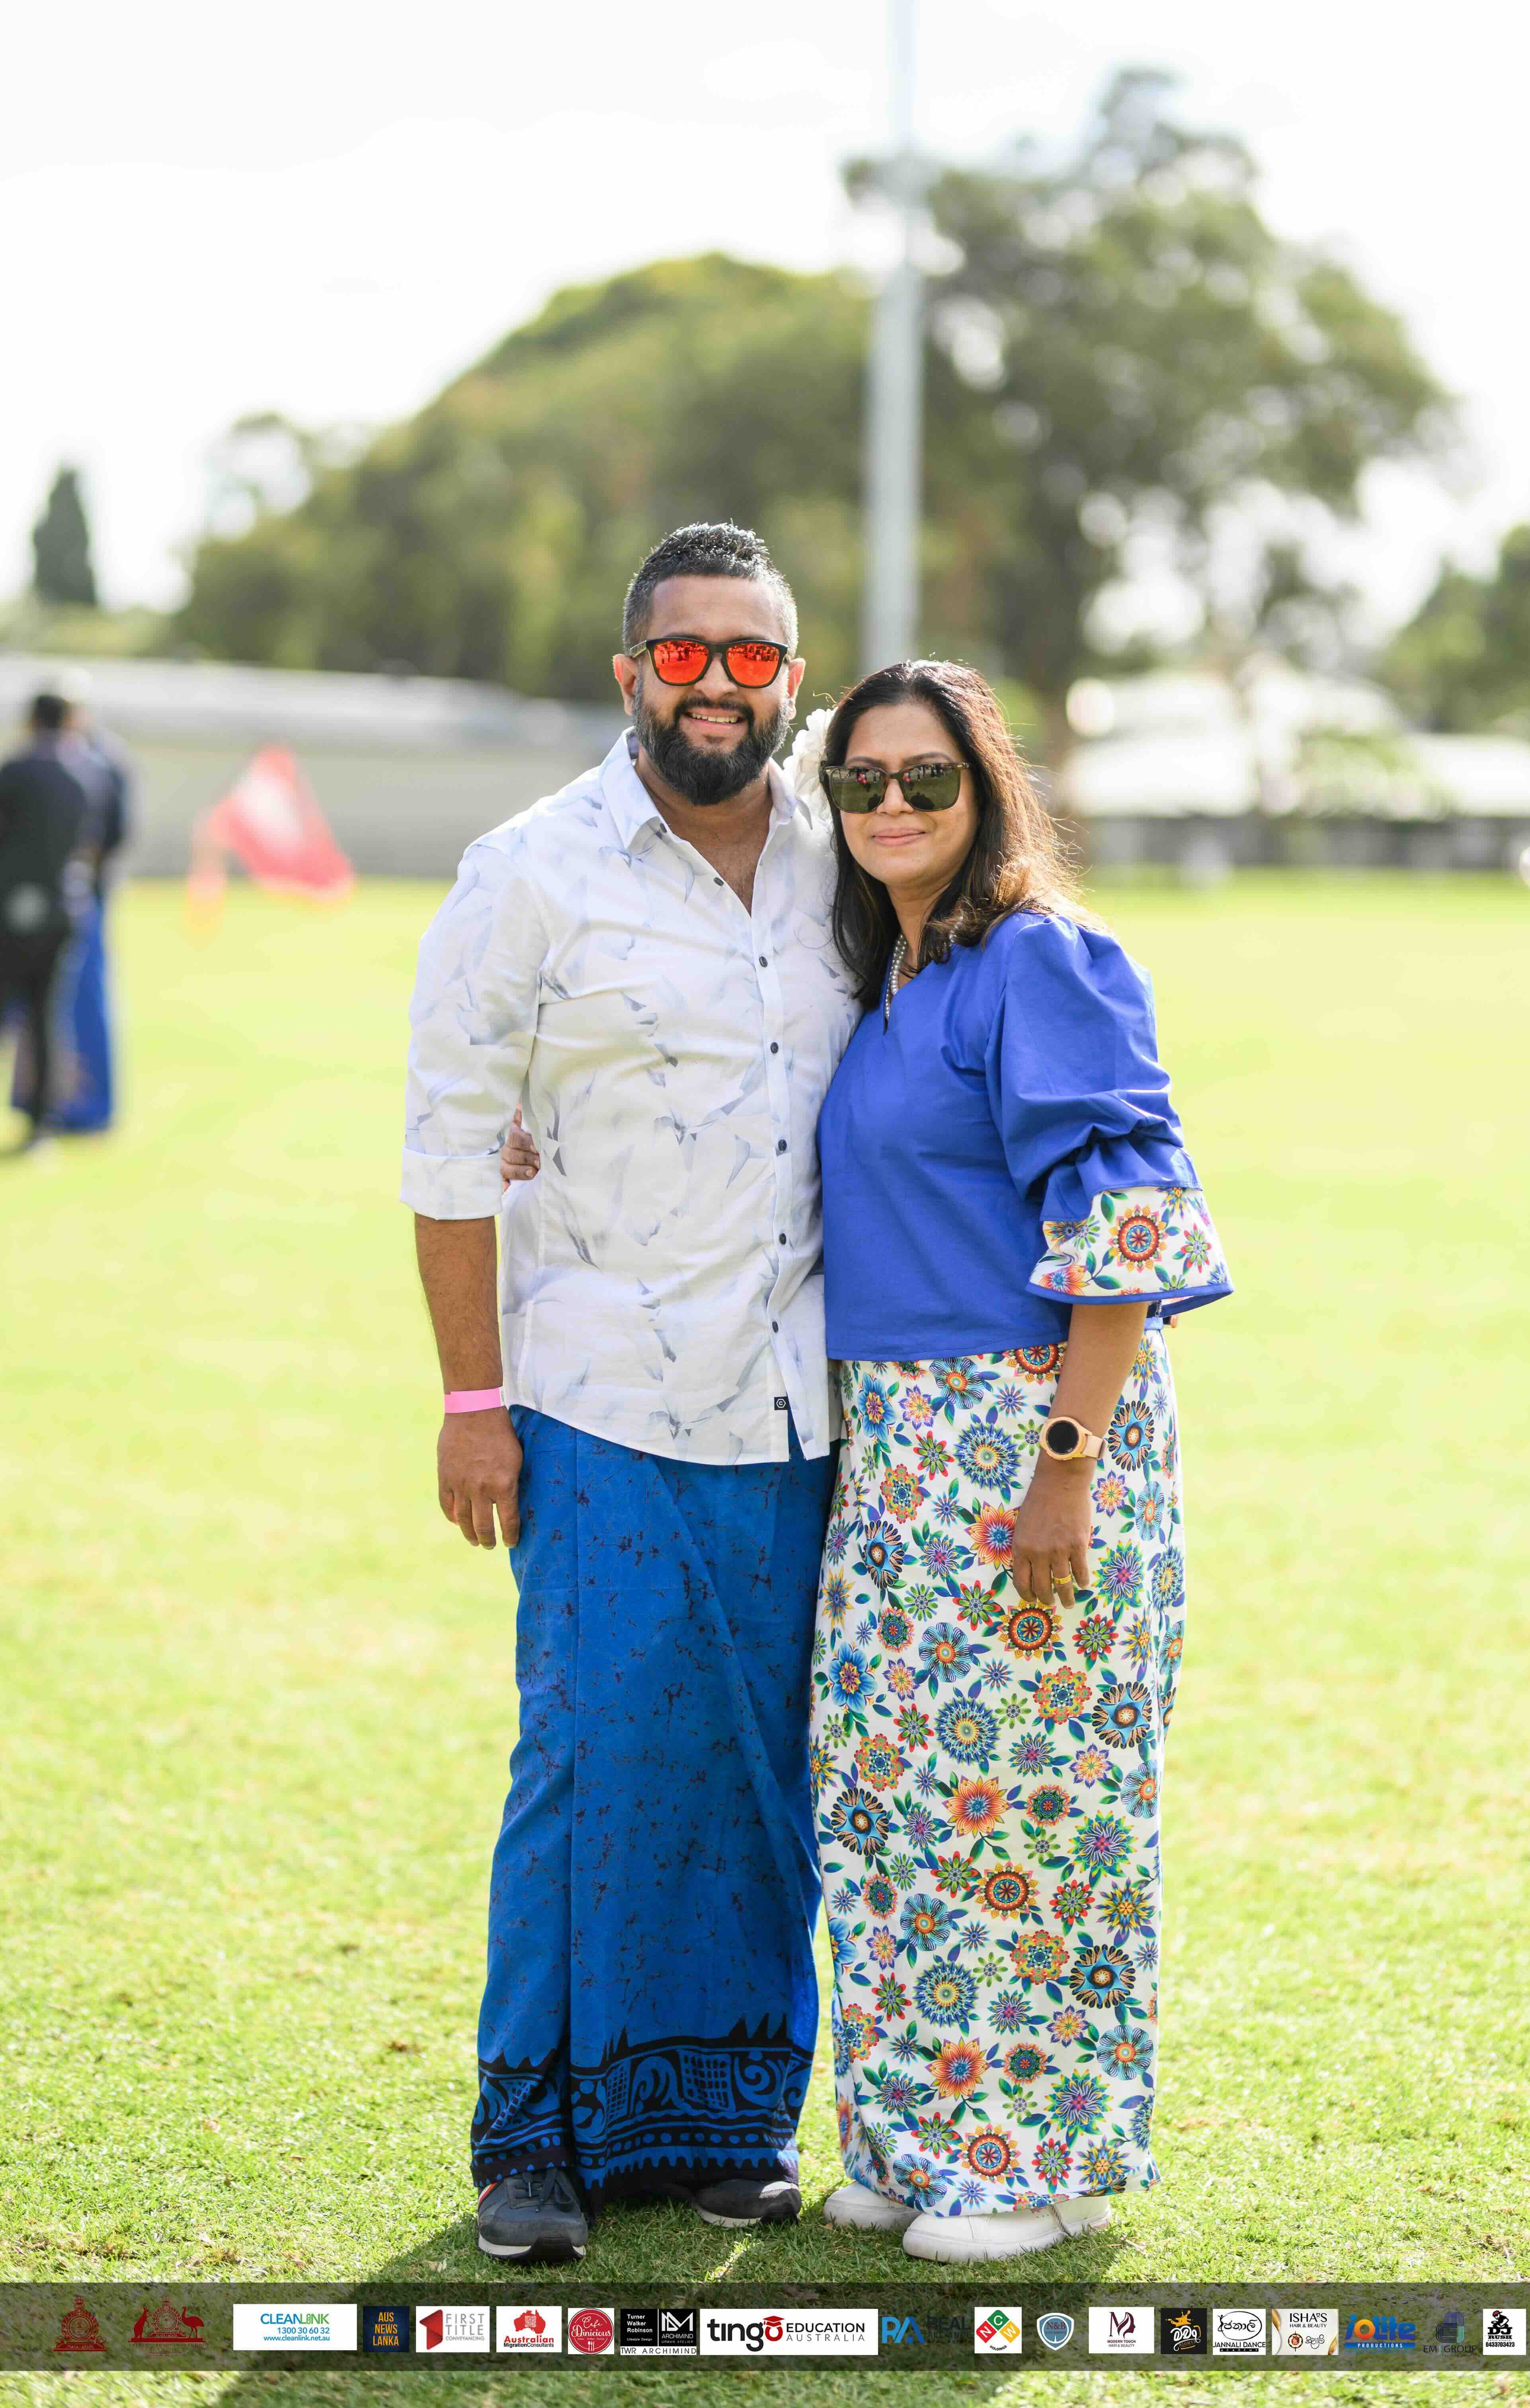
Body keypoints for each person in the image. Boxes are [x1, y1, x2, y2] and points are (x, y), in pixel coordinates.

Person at [402, 523, 860, 2263]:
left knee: (757, 1766)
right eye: (683, 654)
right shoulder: (526, 870)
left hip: (800, 1406)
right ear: (629, 674)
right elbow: (449, 1148)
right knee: (587, 1756)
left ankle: (724, 2121)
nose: (716, 686)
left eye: (750, 656)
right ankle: (535, 2140)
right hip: (594, 1392)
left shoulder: (848, 859)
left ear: (790, 679)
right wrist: (471, 1396)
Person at [804, 660, 1231, 2261]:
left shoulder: (1040, 956)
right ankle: (915, 2138)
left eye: (926, 777)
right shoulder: (889, 978)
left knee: (1033, 1812)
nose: (892, 804)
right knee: (894, 1792)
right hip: (895, 1441)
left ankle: (1035, 2167)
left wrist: (1065, 1462)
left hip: (1028, 1428)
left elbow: (1126, 1224)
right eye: (860, 780)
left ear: (985, 792)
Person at [8, 679, 132, 1134]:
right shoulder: (92, 768)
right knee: (48, 1012)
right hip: (71, 902)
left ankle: (73, 1108)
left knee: (56, 1010)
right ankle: (42, 1113)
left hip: (43, 904)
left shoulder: (34, 768)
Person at [0, 692, 87, 1150]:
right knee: (47, 1018)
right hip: (61, 908)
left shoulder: (14, 772)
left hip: (9, 908)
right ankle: (41, 1126)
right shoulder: (85, 775)